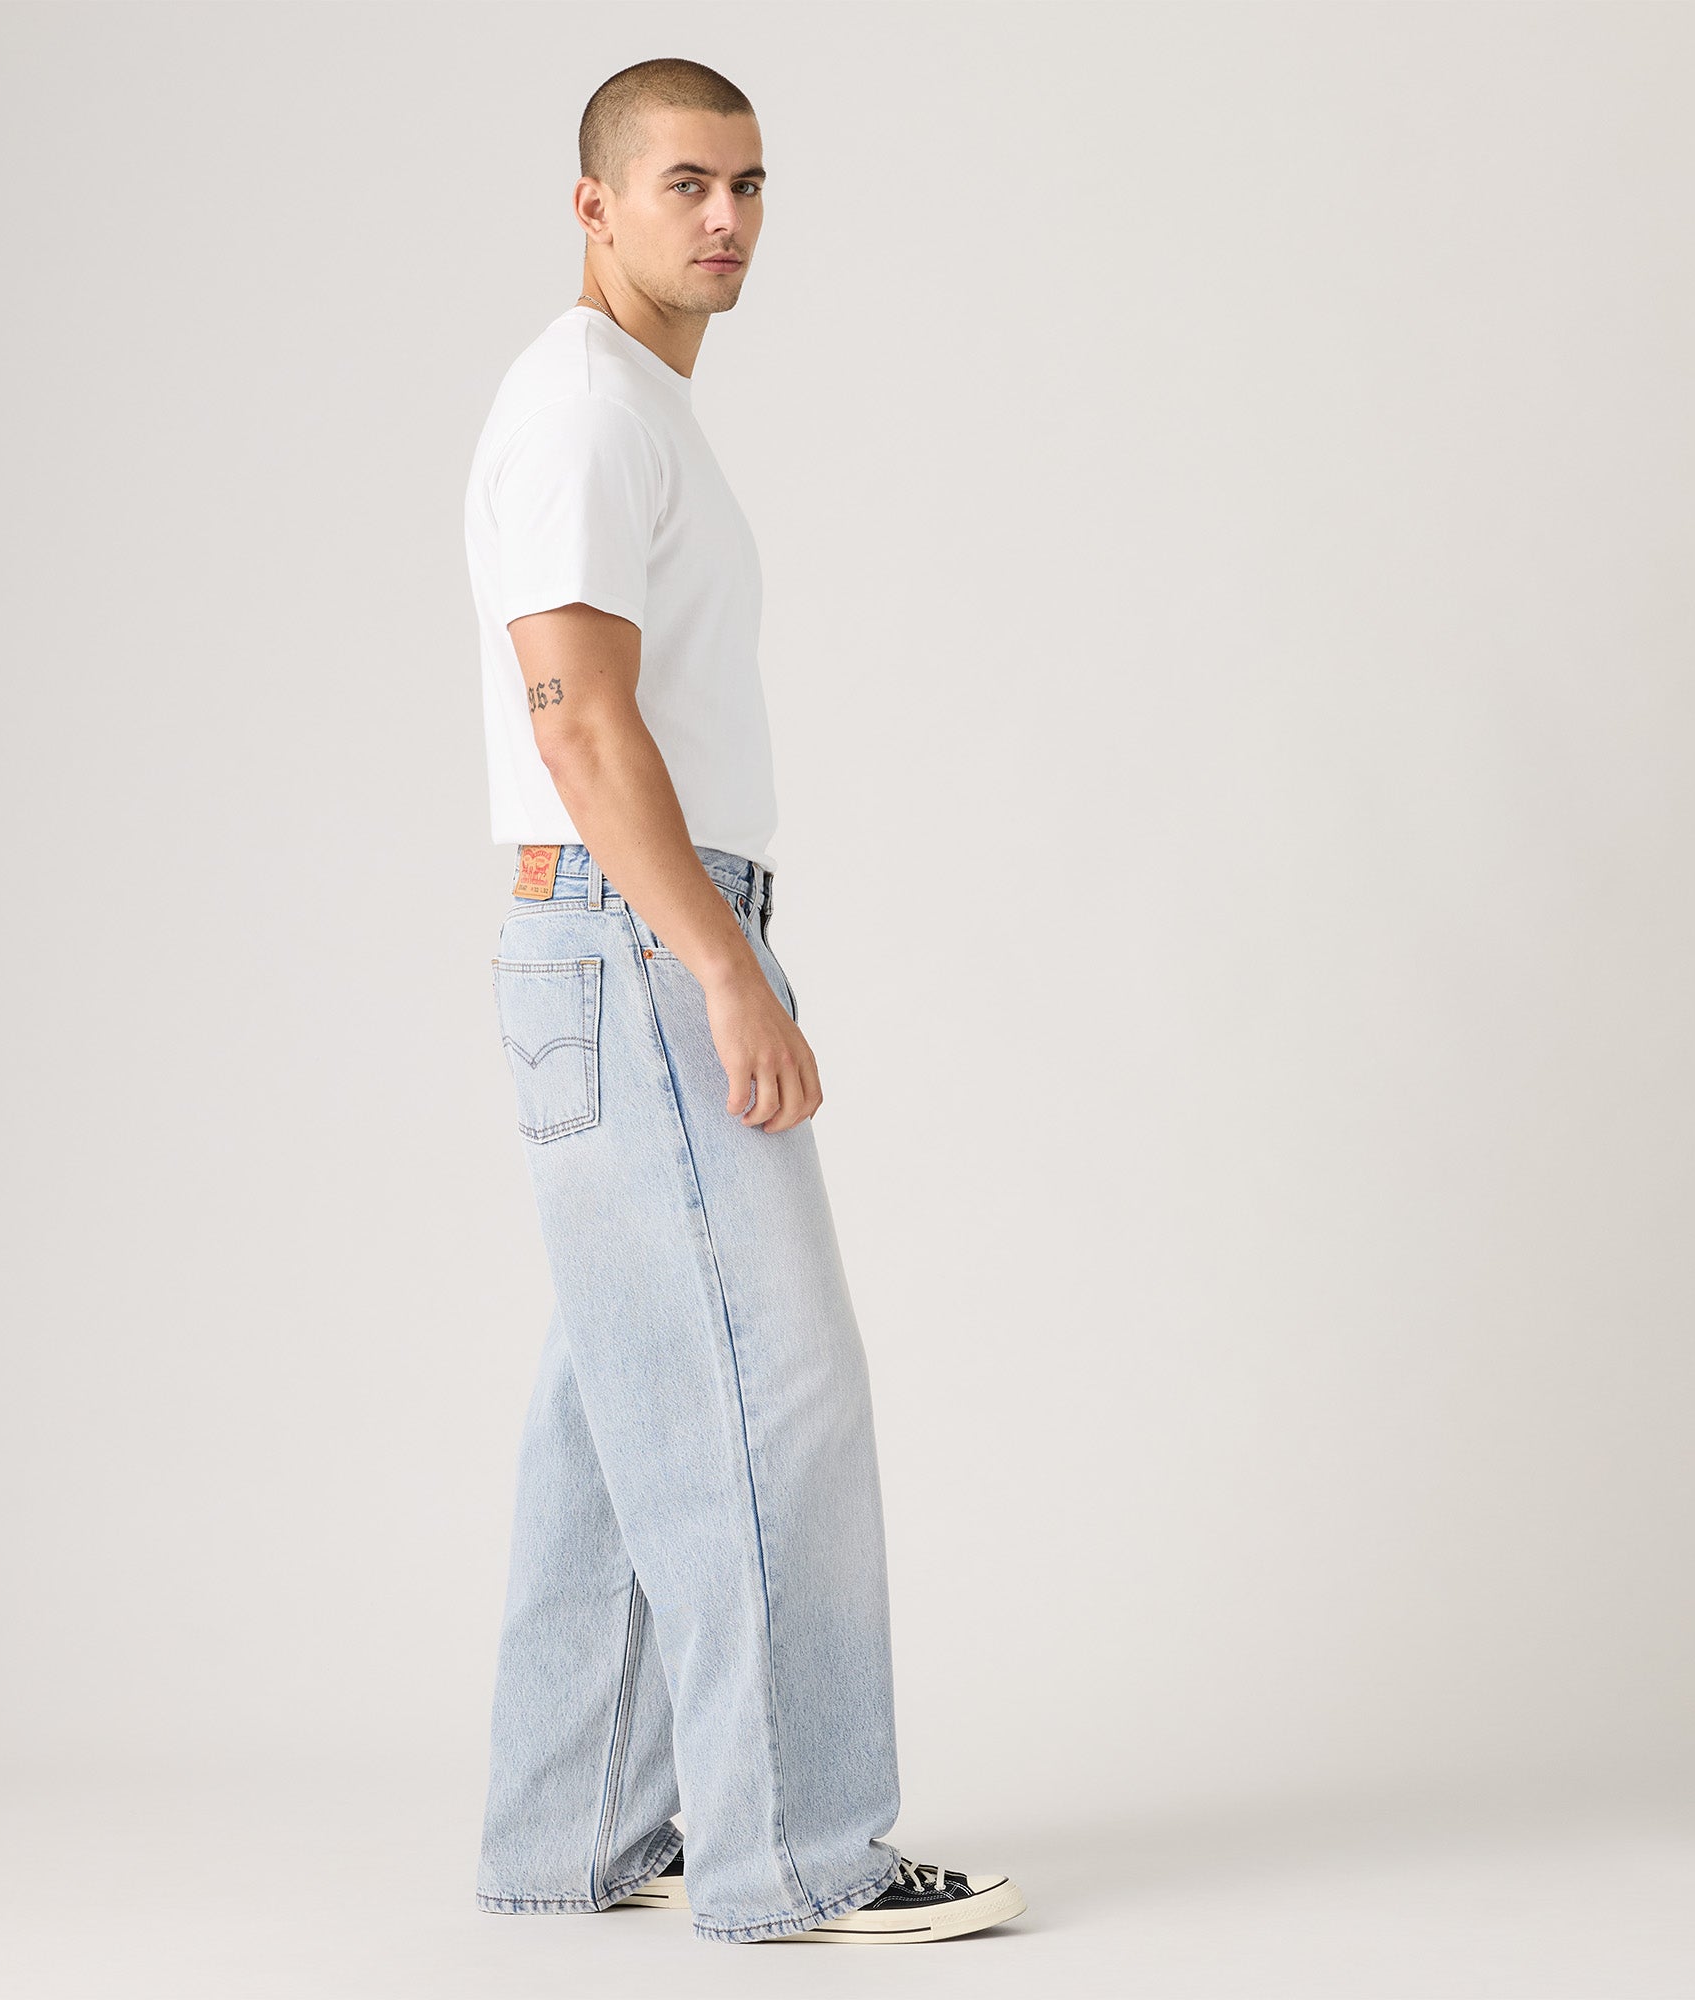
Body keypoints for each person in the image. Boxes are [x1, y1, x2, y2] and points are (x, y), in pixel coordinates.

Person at [461, 56, 1024, 1946]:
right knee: (774, 1389)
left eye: (751, 185)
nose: (725, 218)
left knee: (629, 1392)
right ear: (594, 205)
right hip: (640, 934)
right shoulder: (584, 409)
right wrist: (722, 964)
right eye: (685, 183)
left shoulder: (629, 407)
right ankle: (805, 1854)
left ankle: (569, 1830)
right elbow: (576, 719)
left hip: (611, 932)